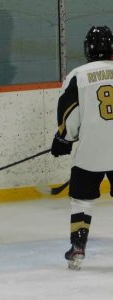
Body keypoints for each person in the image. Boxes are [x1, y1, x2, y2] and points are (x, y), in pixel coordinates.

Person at [51, 25, 113, 270]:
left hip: (92, 151)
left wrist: (64, 139)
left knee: (81, 201)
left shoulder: (79, 75)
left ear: (88, 49)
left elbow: (69, 112)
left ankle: (78, 248)